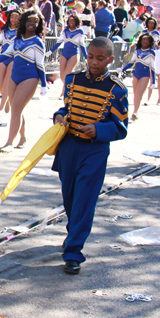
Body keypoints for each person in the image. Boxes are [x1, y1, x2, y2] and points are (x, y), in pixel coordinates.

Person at [52, 37, 128, 274]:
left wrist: (99, 129)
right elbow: (66, 108)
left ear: (110, 60)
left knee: (85, 199)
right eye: (91, 57)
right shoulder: (72, 80)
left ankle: (74, 251)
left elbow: (121, 128)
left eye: (101, 58)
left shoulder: (117, 89)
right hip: (69, 147)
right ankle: (73, 232)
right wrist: (58, 116)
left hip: (94, 150)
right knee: (70, 196)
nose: (94, 63)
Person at [0, 10, 47, 152]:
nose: (32, 24)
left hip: (30, 77)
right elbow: (6, 54)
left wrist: (44, 85)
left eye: (35, 22)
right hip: (15, 76)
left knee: (15, 108)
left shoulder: (38, 42)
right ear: (24, 22)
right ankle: (23, 136)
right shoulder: (17, 39)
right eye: (29, 21)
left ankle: (9, 142)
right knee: (17, 109)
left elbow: (40, 65)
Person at [0, 8, 20, 116]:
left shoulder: (21, 31)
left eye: (16, 17)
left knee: (7, 83)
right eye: (12, 17)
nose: (14, 19)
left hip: (14, 58)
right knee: (0, 82)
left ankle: (0, 109)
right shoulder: (5, 29)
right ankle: (7, 98)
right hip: (3, 57)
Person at [122, 33, 155, 121]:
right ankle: (135, 110)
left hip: (145, 75)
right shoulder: (137, 51)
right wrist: (122, 69)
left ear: (150, 42)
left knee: (139, 94)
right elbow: (132, 62)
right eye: (143, 39)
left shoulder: (151, 52)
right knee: (135, 94)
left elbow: (152, 68)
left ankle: (135, 112)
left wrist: (153, 81)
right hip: (136, 74)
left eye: (147, 40)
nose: (145, 41)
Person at [51, 13, 85, 85]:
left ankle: (64, 92)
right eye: (70, 21)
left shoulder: (79, 31)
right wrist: (51, 51)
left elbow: (82, 45)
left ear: (76, 22)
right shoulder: (65, 31)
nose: (71, 23)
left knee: (67, 75)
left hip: (74, 54)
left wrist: (86, 57)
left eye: (73, 21)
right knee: (62, 76)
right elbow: (59, 42)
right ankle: (68, 89)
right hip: (64, 54)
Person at [147, 39, 160, 105]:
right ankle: (148, 99)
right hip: (154, 70)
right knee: (151, 84)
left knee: (159, 85)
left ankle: (159, 99)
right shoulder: (155, 52)